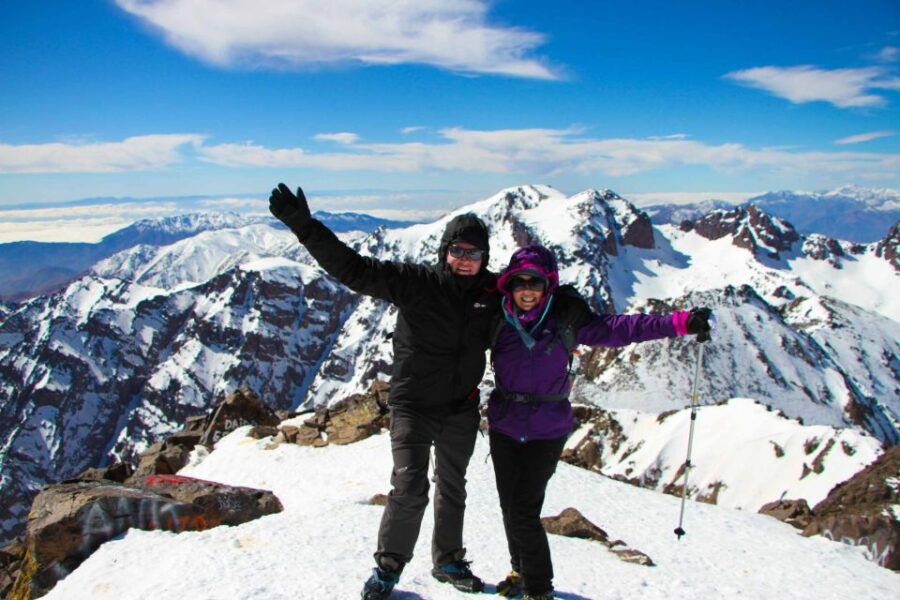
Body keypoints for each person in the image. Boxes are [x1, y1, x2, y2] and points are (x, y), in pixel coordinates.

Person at [269, 184, 498, 599]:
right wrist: (304, 226)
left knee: (453, 486)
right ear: (445, 252)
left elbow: (536, 298)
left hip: (460, 408)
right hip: (412, 405)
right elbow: (353, 269)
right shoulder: (415, 283)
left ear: (484, 259)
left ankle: (448, 560)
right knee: (409, 488)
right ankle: (388, 569)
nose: (465, 261)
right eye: (458, 251)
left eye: (474, 254)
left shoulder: (492, 295)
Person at [487, 245, 711, 600]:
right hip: (504, 425)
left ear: (548, 286)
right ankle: (521, 569)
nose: (527, 290)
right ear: (508, 286)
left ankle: (539, 588)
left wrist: (680, 323)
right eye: (519, 282)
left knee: (523, 511)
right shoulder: (496, 319)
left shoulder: (566, 320)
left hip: (547, 428)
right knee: (509, 506)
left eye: (535, 282)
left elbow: (623, 329)